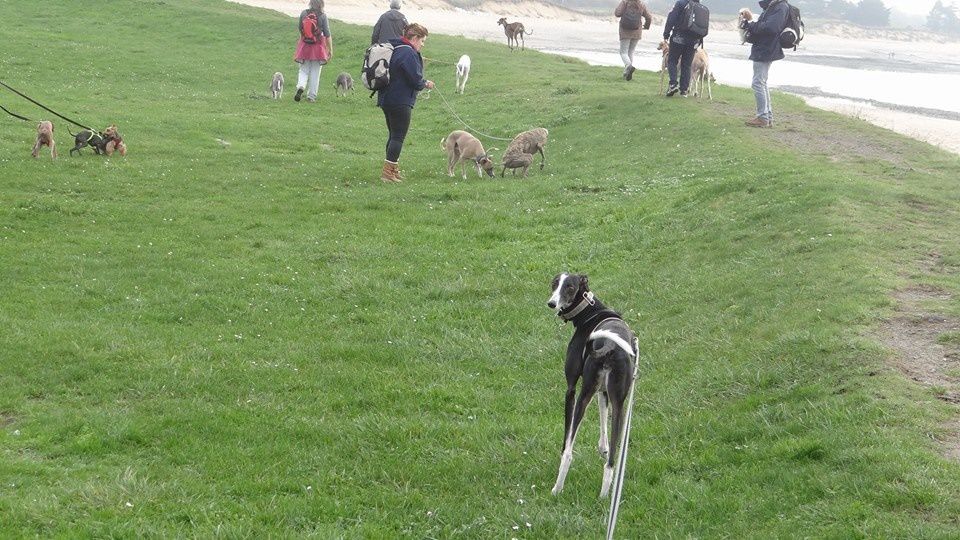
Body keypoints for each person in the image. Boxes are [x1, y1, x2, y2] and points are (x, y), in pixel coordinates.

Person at [377, 23, 435, 183]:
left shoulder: (396, 48)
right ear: (415, 38)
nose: (422, 45)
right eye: (422, 41)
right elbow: (415, 80)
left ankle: (392, 169)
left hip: (386, 98)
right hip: (400, 100)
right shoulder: (408, 53)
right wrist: (426, 83)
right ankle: (388, 174)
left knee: (393, 135)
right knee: (398, 137)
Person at [742, 0, 789, 127]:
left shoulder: (780, 7)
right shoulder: (775, 6)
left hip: (766, 48)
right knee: (762, 82)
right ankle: (767, 117)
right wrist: (750, 21)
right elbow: (766, 25)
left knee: (757, 83)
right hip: (766, 48)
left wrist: (751, 23)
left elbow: (771, 28)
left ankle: (763, 118)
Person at [293, 0, 333, 103]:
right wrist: (330, 50)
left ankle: (301, 86)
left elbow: (300, 29)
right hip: (318, 48)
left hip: (305, 45)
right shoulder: (323, 16)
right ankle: (311, 97)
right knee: (315, 73)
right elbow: (327, 34)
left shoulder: (304, 13)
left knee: (303, 70)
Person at [662, 0, 702, 97]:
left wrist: (666, 33)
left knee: (672, 60)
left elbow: (671, 18)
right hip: (693, 41)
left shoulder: (680, 3)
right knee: (687, 65)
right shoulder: (699, 6)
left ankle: (673, 84)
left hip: (678, 38)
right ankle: (684, 90)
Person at [614, 0, 652, 81]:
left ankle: (628, 66)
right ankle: (626, 73)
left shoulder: (625, 2)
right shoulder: (641, 4)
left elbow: (617, 14)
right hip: (637, 31)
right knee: (631, 51)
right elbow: (649, 17)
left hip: (625, 30)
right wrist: (646, 26)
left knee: (623, 52)